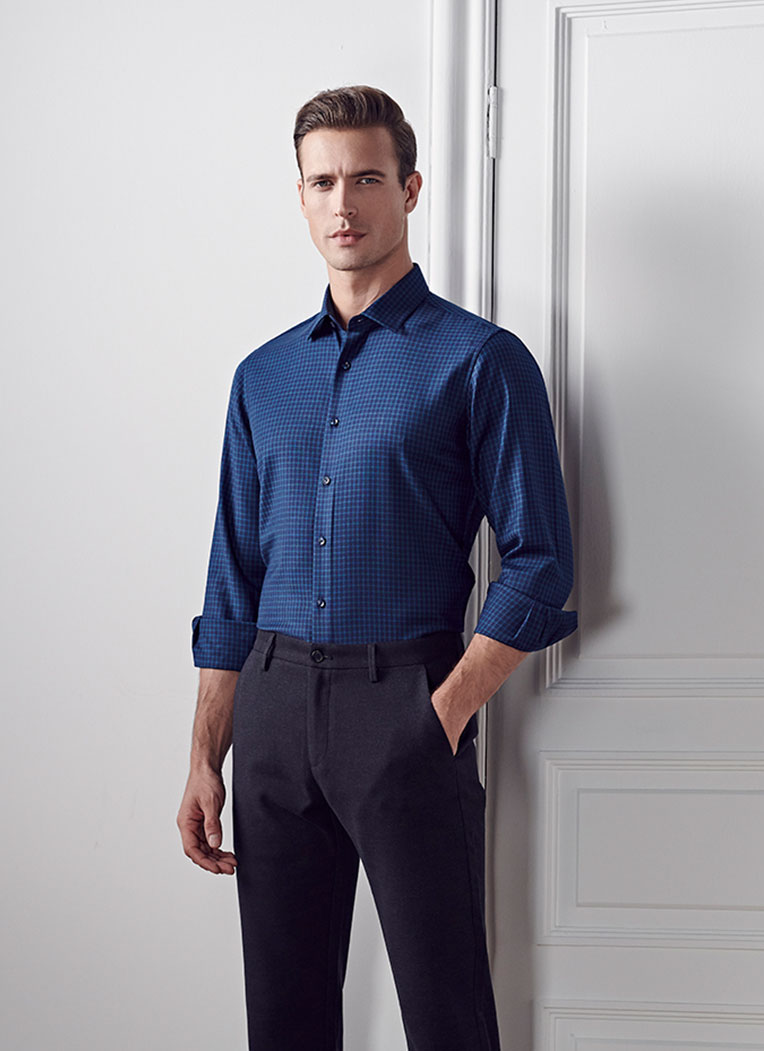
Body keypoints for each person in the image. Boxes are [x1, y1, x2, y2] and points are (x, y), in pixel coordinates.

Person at [176, 84, 577, 1051]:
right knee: (284, 1020)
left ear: (410, 188)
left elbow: (541, 561)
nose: (343, 204)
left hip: (404, 701)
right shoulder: (262, 376)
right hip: (271, 710)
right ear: (301, 197)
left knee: (445, 1015)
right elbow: (233, 576)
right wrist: (203, 754)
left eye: (365, 178)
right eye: (323, 182)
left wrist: (443, 710)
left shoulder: (480, 361)